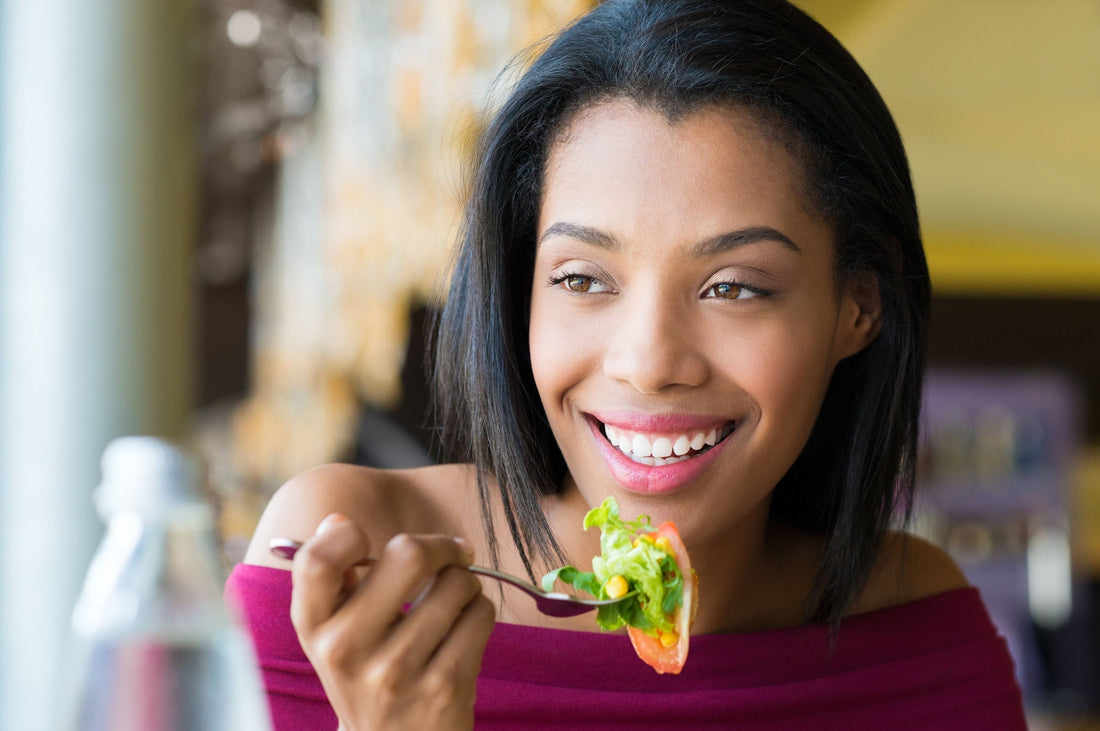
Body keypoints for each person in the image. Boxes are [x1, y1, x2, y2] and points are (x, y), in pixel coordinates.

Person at [226, 1, 1028, 728]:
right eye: (581, 279)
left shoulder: (917, 636)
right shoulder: (341, 575)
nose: (647, 361)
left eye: (734, 287)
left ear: (859, 306)